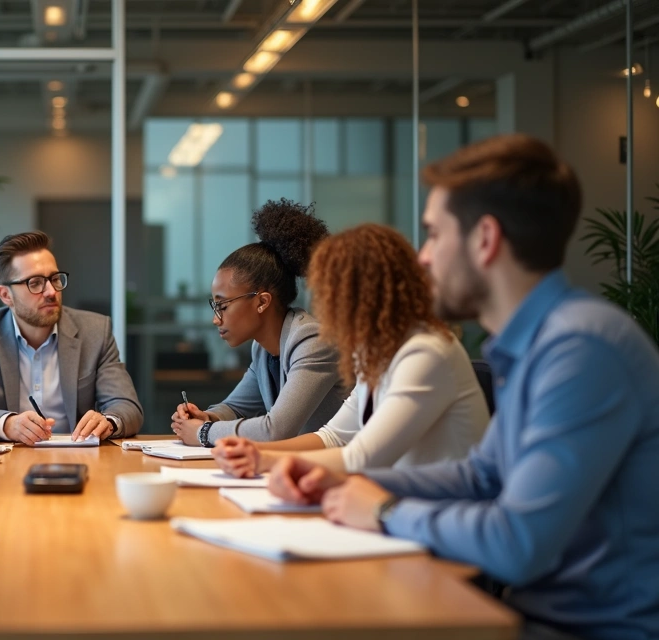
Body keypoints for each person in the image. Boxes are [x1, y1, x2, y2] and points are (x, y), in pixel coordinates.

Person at [268, 134, 659, 640]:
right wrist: (339, 484)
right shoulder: (532, 344)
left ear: (485, 239)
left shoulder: (581, 348)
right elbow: (481, 477)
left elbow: (518, 542)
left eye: (433, 235)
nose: (424, 259)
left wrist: (384, 510)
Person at [211, 224, 489, 478]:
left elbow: (364, 455)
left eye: (332, 294)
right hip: (403, 502)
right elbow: (333, 437)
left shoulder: (425, 353)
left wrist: (267, 461)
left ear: (364, 295)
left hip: (436, 513)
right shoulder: (375, 354)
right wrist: (257, 454)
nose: (325, 308)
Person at [0, 231, 143, 444]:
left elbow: (127, 407)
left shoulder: (95, 330)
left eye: (54, 279)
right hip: (9, 462)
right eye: (35, 283)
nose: (51, 291)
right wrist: (6, 424)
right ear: (6, 295)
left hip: (79, 456)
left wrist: (109, 421)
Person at [170, 200, 346, 447]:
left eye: (223, 305)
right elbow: (235, 407)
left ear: (262, 302)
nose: (215, 318)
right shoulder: (263, 348)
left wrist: (203, 432)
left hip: (345, 473)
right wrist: (206, 417)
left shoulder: (313, 342)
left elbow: (275, 429)